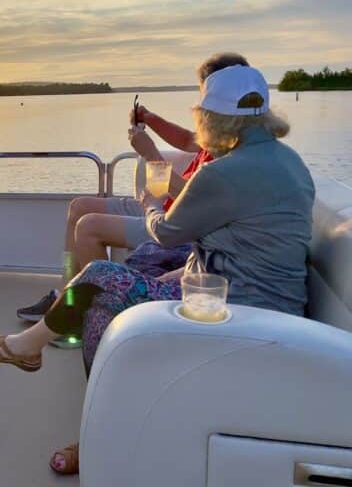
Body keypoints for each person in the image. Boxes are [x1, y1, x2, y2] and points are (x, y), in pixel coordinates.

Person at [0, 54, 314, 475]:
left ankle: (30, 352)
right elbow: (235, 244)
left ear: (215, 120)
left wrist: (149, 202)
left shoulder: (228, 171)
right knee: (101, 308)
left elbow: (166, 231)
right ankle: (105, 430)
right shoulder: (289, 162)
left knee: (101, 277)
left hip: (236, 314)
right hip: (266, 305)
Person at [16, 78, 224, 323]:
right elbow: (188, 140)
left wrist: (150, 154)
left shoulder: (229, 155)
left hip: (172, 224)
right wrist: (150, 119)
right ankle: (66, 297)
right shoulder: (218, 134)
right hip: (160, 205)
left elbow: (192, 202)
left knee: (89, 227)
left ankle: (103, 312)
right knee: (78, 207)